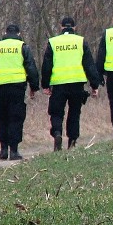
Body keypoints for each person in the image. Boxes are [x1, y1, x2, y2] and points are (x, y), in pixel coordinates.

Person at [0, 24, 40, 160]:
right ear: (18, 34)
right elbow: (30, 67)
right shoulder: (23, 46)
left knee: (1, 118)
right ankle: (14, 150)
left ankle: (3, 149)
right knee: (16, 118)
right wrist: (34, 87)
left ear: (5, 33)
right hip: (17, 88)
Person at [40, 17, 101, 151]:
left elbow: (47, 65)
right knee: (74, 113)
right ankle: (72, 142)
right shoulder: (80, 41)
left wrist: (45, 85)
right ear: (74, 28)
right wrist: (94, 85)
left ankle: (57, 133)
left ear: (61, 27)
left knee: (56, 112)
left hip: (58, 84)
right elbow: (89, 64)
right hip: (76, 84)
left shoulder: (53, 42)